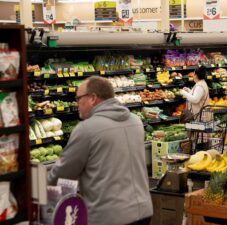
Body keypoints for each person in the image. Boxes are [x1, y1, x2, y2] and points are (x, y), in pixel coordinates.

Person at [48, 76, 153, 225]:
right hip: (143, 211)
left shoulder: (86, 129)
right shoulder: (135, 121)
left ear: (92, 98)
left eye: (78, 98)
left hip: (109, 217)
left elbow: (62, 174)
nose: (77, 104)